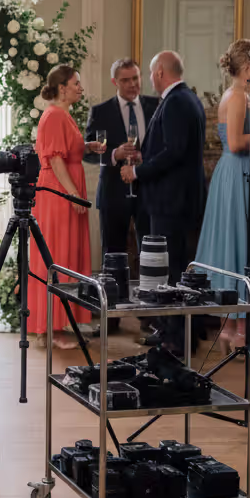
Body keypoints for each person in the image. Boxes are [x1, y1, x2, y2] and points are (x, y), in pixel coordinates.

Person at [192, 40, 250, 353]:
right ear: (249, 67)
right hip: (238, 173)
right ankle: (236, 330)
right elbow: (238, 143)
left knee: (242, 245)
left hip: (241, 173)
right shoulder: (237, 96)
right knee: (240, 245)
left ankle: (234, 328)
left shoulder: (240, 95)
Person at [125, 50, 206, 352]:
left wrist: (137, 171)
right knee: (178, 267)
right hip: (178, 198)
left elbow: (174, 152)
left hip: (171, 200)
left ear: (160, 72)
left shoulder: (176, 102)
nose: (149, 79)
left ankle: (176, 338)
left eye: (149, 73)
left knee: (171, 269)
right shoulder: (188, 99)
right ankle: (179, 331)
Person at [83, 59, 158, 335]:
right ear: (115, 82)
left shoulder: (155, 105)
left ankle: (150, 316)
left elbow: (163, 146)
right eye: (126, 80)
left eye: (136, 78)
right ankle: (111, 314)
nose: (133, 85)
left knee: (149, 253)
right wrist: (114, 154)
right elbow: (88, 151)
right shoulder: (100, 111)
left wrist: (143, 158)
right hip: (113, 191)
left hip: (147, 189)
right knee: (112, 253)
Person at [27, 65, 92, 349]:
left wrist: (88, 146)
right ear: (62, 87)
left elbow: (65, 151)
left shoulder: (63, 115)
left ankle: (59, 324)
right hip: (58, 193)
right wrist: (73, 193)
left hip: (63, 189)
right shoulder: (54, 115)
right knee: (57, 253)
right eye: (76, 83)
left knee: (67, 253)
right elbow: (54, 160)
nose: (80, 87)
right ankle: (49, 329)